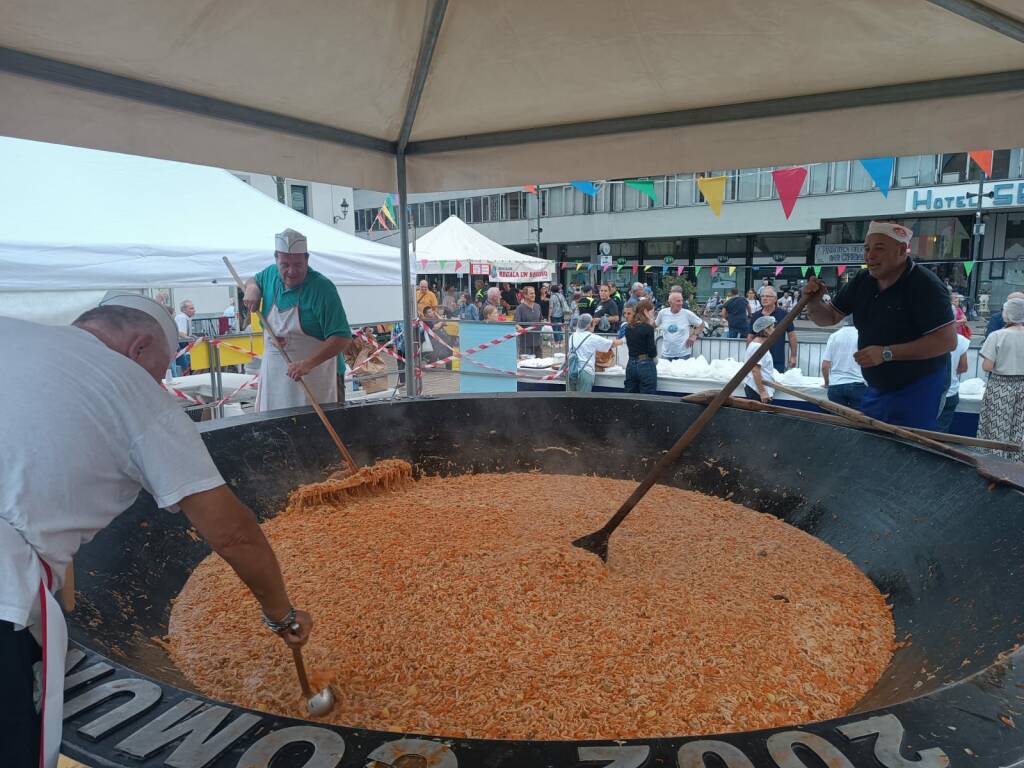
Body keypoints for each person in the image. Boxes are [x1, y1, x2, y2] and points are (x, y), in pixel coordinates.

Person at [0, 298, 313, 768]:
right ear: (139, 347)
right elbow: (232, 534)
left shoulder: (12, 333)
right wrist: (281, 615)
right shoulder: (134, 390)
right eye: (160, 371)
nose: (160, 384)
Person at [803, 220, 956, 430]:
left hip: (920, 384)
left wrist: (886, 353)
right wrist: (813, 302)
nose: (870, 255)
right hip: (877, 386)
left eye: (879, 249)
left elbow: (946, 341)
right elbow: (828, 318)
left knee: (909, 447)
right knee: (873, 442)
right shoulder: (863, 280)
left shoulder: (925, 285)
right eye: (867, 249)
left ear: (902, 250)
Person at [243, 228, 354, 412]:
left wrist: (307, 364)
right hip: (276, 378)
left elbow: (342, 338)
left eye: (298, 264)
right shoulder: (270, 274)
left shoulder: (322, 289)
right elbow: (253, 280)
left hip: (317, 378)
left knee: (318, 434)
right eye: (285, 265)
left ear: (307, 259)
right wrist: (252, 288)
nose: (291, 271)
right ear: (276, 259)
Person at [978, 297, 1024, 460]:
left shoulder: (997, 336)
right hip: (1023, 385)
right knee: (1019, 430)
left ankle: (995, 465)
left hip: (1001, 386)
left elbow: (987, 366)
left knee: (996, 429)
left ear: (1008, 314)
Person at [567, 313, 622, 393]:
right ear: (589, 325)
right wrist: (623, 340)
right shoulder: (591, 337)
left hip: (571, 371)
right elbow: (611, 344)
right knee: (583, 401)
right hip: (585, 372)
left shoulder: (572, 336)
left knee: (572, 400)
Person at [747, 286, 797, 373]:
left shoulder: (784, 315)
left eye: (768, 296)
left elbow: (792, 335)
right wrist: (748, 354)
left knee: (775, 384)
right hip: (758, 359)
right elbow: (750, 337)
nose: (764, 298)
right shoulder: (756, 315)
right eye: (762, 296)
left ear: (775, 299)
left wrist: (793, 356)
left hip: (777, 360)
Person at [821, 320, 867, 409]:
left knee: (838, 420)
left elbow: (825, 366)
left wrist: (827, 383)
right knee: (859, 420)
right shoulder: (862, 336)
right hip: (858, 384)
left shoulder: (834, 336)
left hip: (835, 385)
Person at [936, 331, 971, 433]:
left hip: (927, 390)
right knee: (941, 432)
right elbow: (963, 367)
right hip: (950, 390)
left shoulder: (926, 338)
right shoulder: (960, 340)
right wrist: (952, 372)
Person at [623, 298, 658, 394]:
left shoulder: (628, 328)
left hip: (631, 364)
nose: (653, 314)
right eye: (652, 311)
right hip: (645, 363)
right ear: (646, 311)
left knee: (630, 396)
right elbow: (652, 351)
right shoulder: (648, 328)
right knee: (647, 398)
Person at [656, 291, 703, 361]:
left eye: (682, 301)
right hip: (666, 355)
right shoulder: (663, 313)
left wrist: (694, 335)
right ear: (670, 302)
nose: (681, 303)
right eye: (678, 301)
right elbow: (654, 324)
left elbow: (701, 324)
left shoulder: (687, 313)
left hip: (683, 355)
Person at [743, 315, 777, 402]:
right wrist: (762, 392)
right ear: (766, 330)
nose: (775, 329)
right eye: (772, 327)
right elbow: (755, 370)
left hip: (760, 388)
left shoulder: (758, 345)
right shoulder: (757, 347)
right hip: (757, 390)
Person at [514, 285, 544, 357]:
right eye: (531, 293)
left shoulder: (537, 306)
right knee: (526, 365)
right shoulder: (520, 308)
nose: (534, 295)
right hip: (525, 343)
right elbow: (515, 323)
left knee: (539, 364)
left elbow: (540, 320)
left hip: (538, 342)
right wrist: (520, 328)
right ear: (525, 295)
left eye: (534, 293)